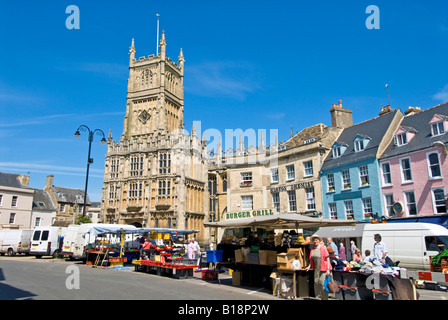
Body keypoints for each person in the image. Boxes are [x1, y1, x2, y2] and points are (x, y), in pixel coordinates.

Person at [305, 234, 332, 300]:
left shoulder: (323, 248)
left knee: (323, 284)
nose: (315, 241)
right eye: (314, 240)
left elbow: (327, 258)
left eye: (316, 240)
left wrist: (328, 269)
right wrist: (309, 266)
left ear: (319, 240)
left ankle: (325, 298)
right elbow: (311, 260)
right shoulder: (312, 249)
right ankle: (319, 297)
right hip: (316, 269)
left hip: (324, 269)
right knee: (316, 283)